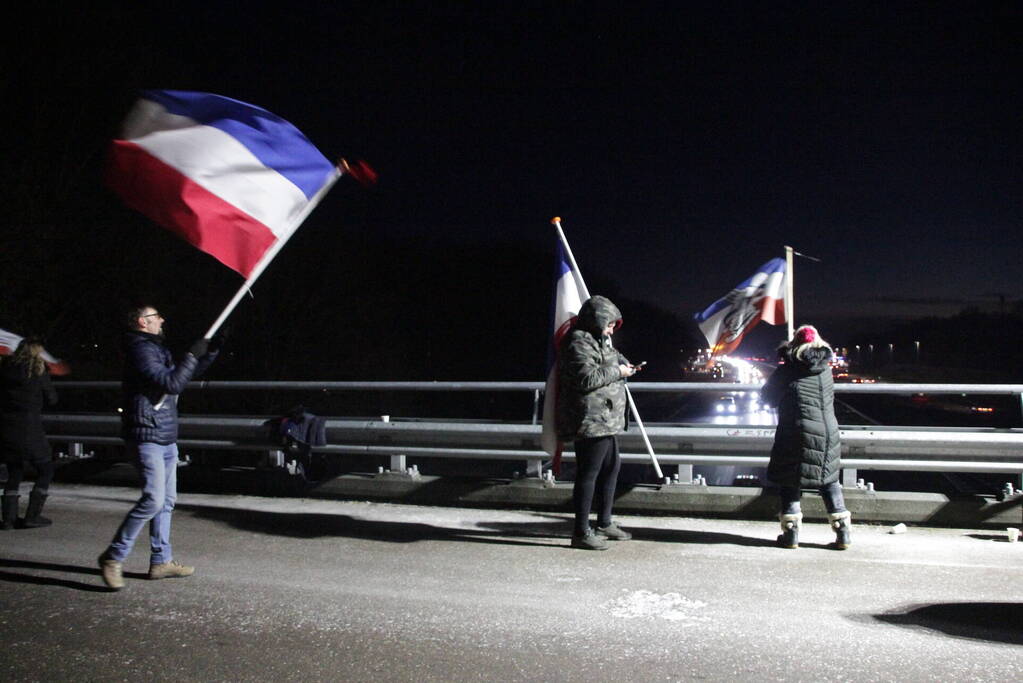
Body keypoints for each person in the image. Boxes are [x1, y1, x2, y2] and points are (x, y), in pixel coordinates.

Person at [97, 305, 219, 590]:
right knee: (153, 499)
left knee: (166, 502)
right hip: (146, 432)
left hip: (164, 432)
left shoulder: (154, 348)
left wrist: (209, 353)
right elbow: (172, 383)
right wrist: (191, 355)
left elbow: (180, 378)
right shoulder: (140, 349)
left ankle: (161, 561)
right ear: (142, 322)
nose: (162, 320)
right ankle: (113, 557)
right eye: (156, 317)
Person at [556, 295, 640, 550]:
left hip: (607, 418)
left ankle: (604, 522)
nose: (613, 328)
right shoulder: (578, 341)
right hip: (591, 419)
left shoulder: (601, 340)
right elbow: (585, 378)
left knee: (611, 468)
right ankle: (581, 531)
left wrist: (624, 364)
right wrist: (619, 372)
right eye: (610, 323)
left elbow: (611, 358)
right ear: (597, 319)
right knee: (589, 473)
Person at [762, 324, 850, 550]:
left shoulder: (787, 371)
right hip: (828, 430)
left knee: (790, 479)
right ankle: (843, 534)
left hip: (795, 429)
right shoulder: (826, 371)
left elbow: (768, 397)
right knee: (828, 479)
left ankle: (791, 535)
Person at [1, 338, 58, 530]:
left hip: (6, 428)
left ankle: (8, 519)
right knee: (45, 469)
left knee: (14, 471)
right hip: (30, 428)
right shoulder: (37, 372)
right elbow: (52, 398)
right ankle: (32, 515)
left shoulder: (4, 370)